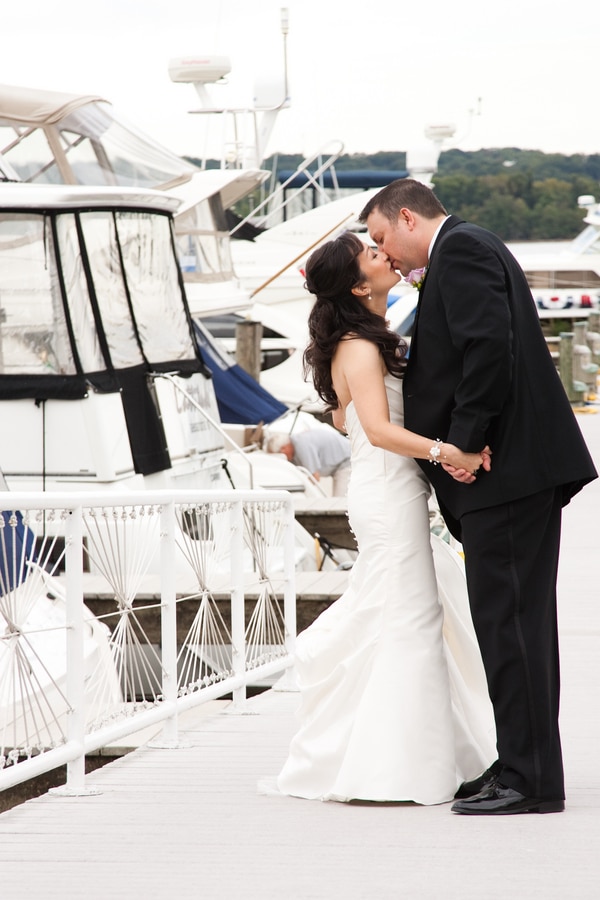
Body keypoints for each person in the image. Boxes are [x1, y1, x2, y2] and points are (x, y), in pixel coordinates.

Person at [359, 178, 598, 815]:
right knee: (514, 627)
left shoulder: (461, 251)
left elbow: (489, 349)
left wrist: (462, 446)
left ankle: (530, 779)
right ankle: (522, 761)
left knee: (511, 628)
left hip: (505, 474)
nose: (390, 255)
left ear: (406, 217)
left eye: (384, 239)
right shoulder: (469, 247)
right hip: (515, 475)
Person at [275, 230, 497, 805]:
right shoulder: (358, 344)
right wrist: (450, 453)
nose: (385, 255)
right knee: (411, 618)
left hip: (388, 490)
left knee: (408, 614)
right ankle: (400, 767)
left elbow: (343, 415)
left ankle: (412, 756)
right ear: (357, 283)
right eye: (373, 255)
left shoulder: (364, 339)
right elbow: (374, 429)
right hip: (387, 494)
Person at [267, 426, 352, 495]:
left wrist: (301, 491)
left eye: (279, 455)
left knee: (340, 501)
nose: (281, 459)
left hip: (346, 461)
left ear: (284, 449)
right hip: (340, 462)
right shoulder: (294, 447)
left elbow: (315, 477)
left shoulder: (302, 445)